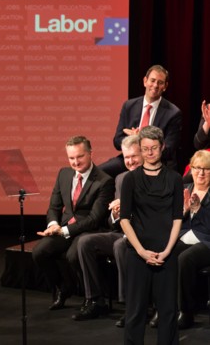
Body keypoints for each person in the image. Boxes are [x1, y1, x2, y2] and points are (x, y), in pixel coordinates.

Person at [31, 135, 115, 310]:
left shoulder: (104, 180)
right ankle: (63, 287)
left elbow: (95, 219)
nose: (75, 162)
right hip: (64, 227)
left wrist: (64, 231)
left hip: (88, 230)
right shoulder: (64, 173)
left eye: (80, 156)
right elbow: (54, 206)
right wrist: (53, 224)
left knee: (73, 255)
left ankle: (91, 298)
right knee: (39, 252)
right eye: (71, 158)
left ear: (91, 154)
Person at [120, 126, 183, 345]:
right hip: (138, 252)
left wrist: (166, 251)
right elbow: (124, 219)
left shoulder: (175, 179)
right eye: (145, 149)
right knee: (135, 310)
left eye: (154, 148)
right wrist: (140, 251)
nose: (149, 153)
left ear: (162, 147)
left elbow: (177, 218)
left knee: (167, 310)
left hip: (166, 251)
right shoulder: (131, 179)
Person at [72, 135, 143, 322]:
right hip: (122, 231)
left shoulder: (154, 177)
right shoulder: (120, 178)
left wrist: (129, 207)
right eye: (127, 157)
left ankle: (132, 307)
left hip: (143, 234)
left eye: (134, 156)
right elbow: (112, 222)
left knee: (121, 245)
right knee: (85, 242)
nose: (130, 161)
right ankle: (96, 300)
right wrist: (116, 214)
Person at [99, 65, 182, 178]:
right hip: (131, 158)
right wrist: (131, 141)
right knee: (99, 173)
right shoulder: (129, 106)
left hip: (156, 162)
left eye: (160, 82)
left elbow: (168, 150)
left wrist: (140, 139)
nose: (155, 85)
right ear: (145, 81)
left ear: (165, 86)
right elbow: (117, 141)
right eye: (152, 80)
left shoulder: (173, 113)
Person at [173, 150, 210, 329]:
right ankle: (162, 308)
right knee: (165, 253)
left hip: (207, 240)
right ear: (191, 169)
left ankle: (186, 313)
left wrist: (198, 210)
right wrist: (182, 212)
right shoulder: (184, 189)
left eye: (206, 169)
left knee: (185, 258)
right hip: (185, 236)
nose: (201, 173)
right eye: (197, 168)